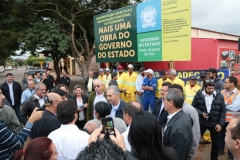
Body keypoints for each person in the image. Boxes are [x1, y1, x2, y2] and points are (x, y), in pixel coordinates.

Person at [192, 80, 226, 160]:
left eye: (212, 88)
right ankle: (190, 156)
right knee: (194, 142)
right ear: (205, 88)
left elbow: (222, 110)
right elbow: (193, 107)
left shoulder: (219, 95)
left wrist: (220, 124)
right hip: (201, 123)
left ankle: (214, 158)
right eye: (209, 89)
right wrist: (201, 113)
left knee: (215, 144)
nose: (211, 90)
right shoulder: (198, 95)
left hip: (215, 124)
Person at [169, 84, 201, 159]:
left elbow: (195, 133)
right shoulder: (169, 107)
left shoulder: (190, 111)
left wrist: (191, 154)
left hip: (183, 152)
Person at [163, 88, 193, 160]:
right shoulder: (184, 116)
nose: (163, 102)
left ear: (171, 102)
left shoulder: (179, 127)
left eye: (164, 99)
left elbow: (178, 153)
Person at [218, 76, 240, 159]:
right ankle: (220, 149)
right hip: (222, 118)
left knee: (232, 137)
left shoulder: (238, 94)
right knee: (220, 135)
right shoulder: (222, 92)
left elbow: (235, 107)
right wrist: (227, 104)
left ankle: (231, 155)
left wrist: (223, 104)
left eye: (226, 82)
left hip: (232, 120)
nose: (224, 83)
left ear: (232, 83)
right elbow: (217, 102)